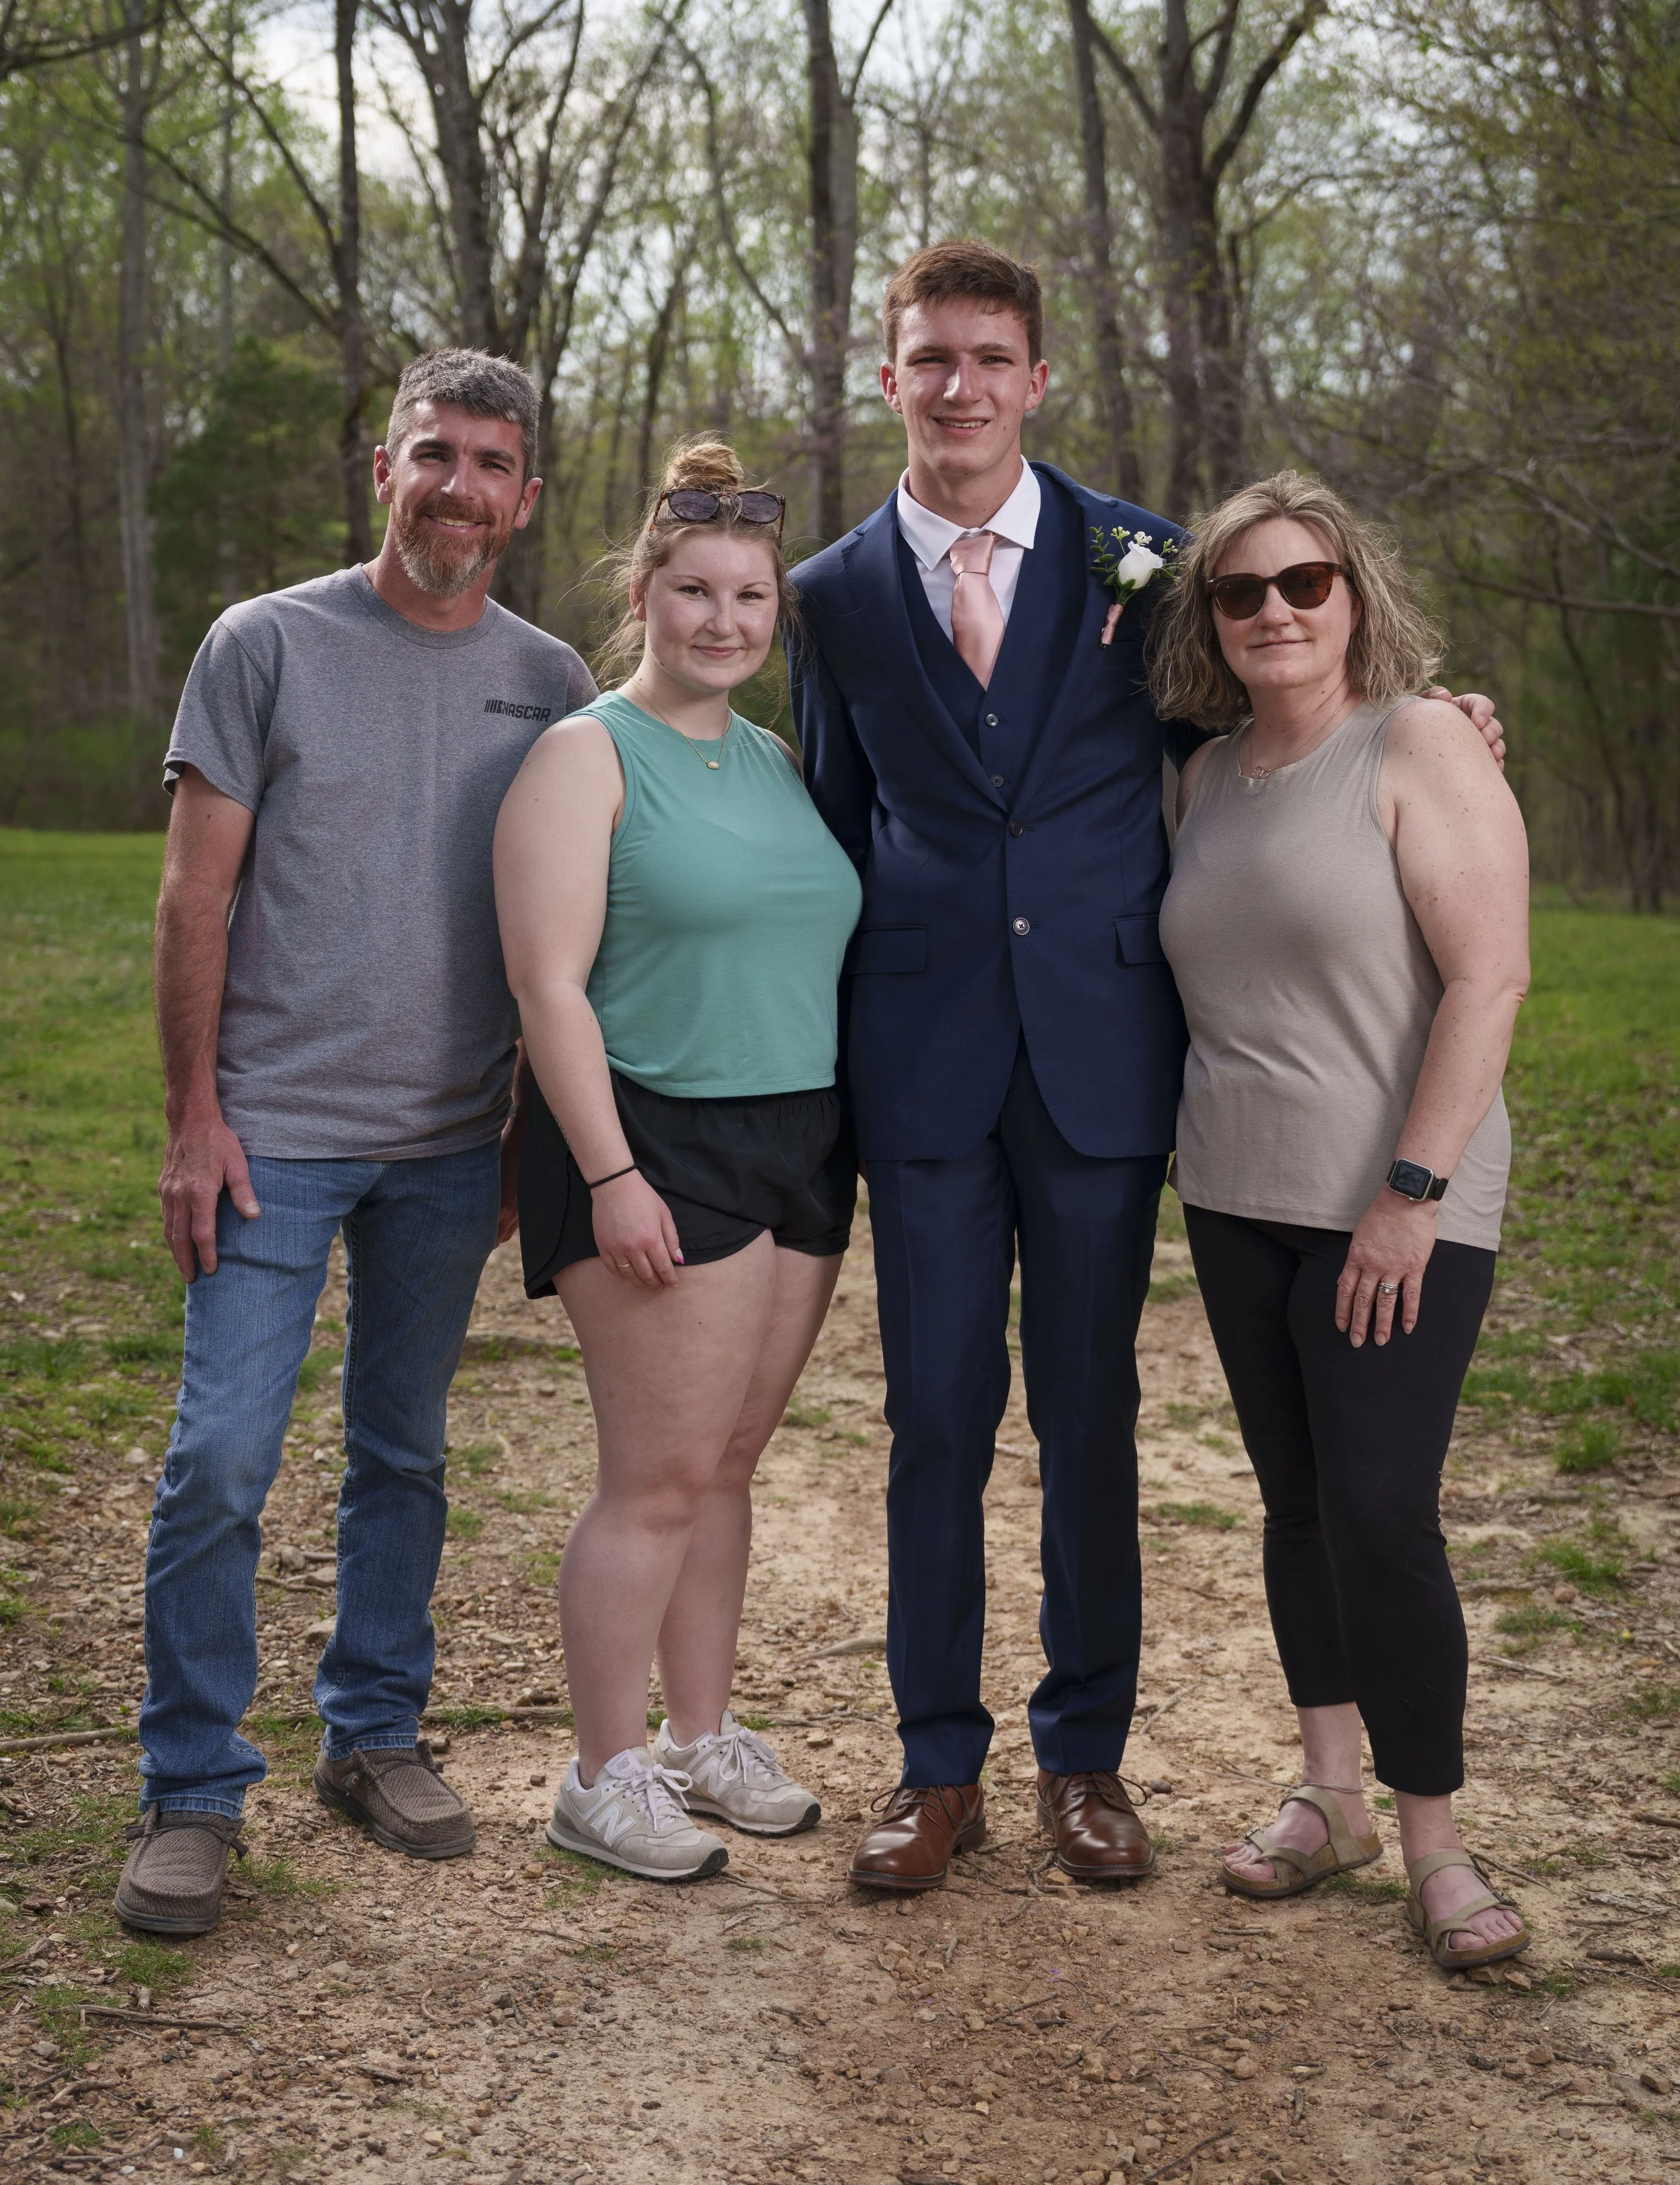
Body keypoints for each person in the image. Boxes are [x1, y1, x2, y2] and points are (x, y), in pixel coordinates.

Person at [788, 239, 1508, 1897]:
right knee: (933, 1421)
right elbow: (832, 833)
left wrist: (1433, 719)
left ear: (1037, 380)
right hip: (920, 1071)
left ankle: (1084, 1758)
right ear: (885, 376)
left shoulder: (1152, 565)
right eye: (927, 359)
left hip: (1111, 1066)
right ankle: (932, 1764)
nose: (957, 386)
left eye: (989, 358)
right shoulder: (828, 596)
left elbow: (1276, 742)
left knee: (1093, 1413)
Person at [116, 349, 596, 1939]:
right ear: (380, 468)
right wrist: (195, 1118)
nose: (457, 485)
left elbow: (570, 918)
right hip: (271, 1136)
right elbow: (195, 894)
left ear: (522, 500)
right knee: (223, 1459)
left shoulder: (551, 678)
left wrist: (538, 1120)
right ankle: (191, 1788)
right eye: (431, 453)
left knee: (403, 1451)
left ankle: (371, 1733)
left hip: (454, 1143)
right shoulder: (265, 644)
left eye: (489, 464)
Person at [1154, 470, 1531, 1970]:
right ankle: (1328, 1795)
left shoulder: (1422, 739)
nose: (1271, 612)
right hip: (1235, 1198)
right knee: (1295, 1504)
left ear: (1352, 593)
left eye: (1301, 582)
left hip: (1396, 1203)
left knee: (1381, 1513)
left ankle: (1434, 1840)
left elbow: (1490, 979)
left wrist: (1409, 1194)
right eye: (1238, 593)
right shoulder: (1200, 775)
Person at [494, 440, 862, 1883]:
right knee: (652, 1478)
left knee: (725, 1466)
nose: (723, 620)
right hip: (654, 1142)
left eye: (751, 598)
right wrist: (607, 1176)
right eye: (695, 591)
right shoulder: (581, 756)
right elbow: (547, 988)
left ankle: (702, 1738)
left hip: (800, 1142)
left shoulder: (770, 757)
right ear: (643, 593)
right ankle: (602, 1773)